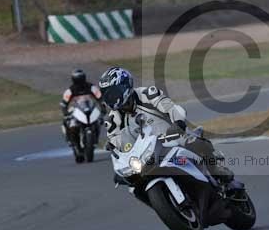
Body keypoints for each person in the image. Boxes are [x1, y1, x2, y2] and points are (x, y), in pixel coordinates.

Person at [98, 66, 233, 185]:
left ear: (125, 85)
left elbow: (170, 107)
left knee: (195, 143)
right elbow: (117, 143)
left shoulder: (147, 94)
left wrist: (178, 122)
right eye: (108, 95)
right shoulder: (112, 121)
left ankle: (215, 168)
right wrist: (116, 153)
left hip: (171, 139)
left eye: (113, 93)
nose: (112, 98)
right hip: (146, 157)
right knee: (133, 184)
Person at [60, 69, 103, 146]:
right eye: (78, 79)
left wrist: (103, 109)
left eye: (80, 78)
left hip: (89, 108)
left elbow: (100, 98)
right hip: (76, 110)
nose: (79, 81)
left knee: (98, 121)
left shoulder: (91, 87)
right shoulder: (70, 90)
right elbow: (64, 103)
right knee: (68, 122)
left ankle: (95, 139)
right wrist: (66, 113)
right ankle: (70, 139)